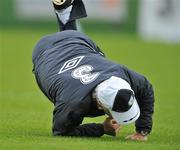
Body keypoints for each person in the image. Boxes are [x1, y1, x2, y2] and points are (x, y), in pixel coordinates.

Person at [32, 0, 154, 141]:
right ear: (101, 104)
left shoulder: (120, 73)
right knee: (80, 51)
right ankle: (64, 13)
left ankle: (65, 13)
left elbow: (146, 89)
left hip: (76, 40)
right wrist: (101, 128)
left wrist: (142, 131)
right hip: (45, 53)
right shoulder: (72, 102)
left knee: (82, 48)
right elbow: (61, 131)